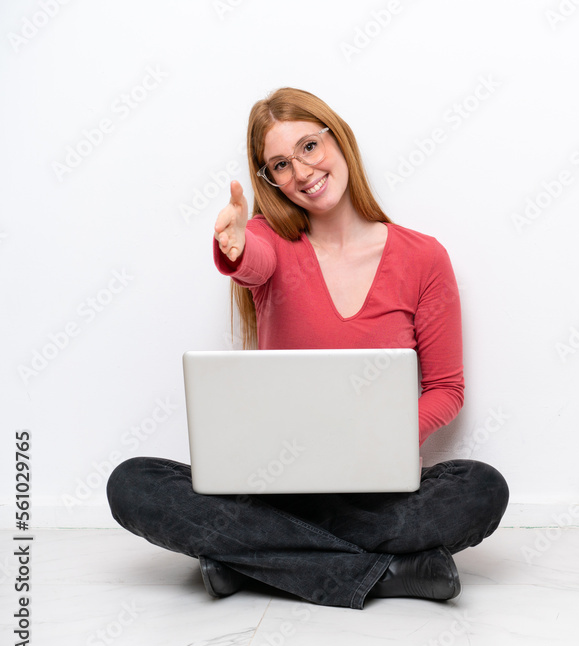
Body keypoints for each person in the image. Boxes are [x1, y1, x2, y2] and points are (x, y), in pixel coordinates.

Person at [106, 87, 508, 609]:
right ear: (269, 180)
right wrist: (233, 246)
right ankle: (392, 572)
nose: (300, 172)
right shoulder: (269, 238)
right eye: (279, 164)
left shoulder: (423, 258)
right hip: (274, 484)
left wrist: (380, 439)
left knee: (481, 488)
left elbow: (446, 389)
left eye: (309, 148)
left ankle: (248, 563)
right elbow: (252, 260)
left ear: (338, 140)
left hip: (375, 492)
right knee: (132, 483)